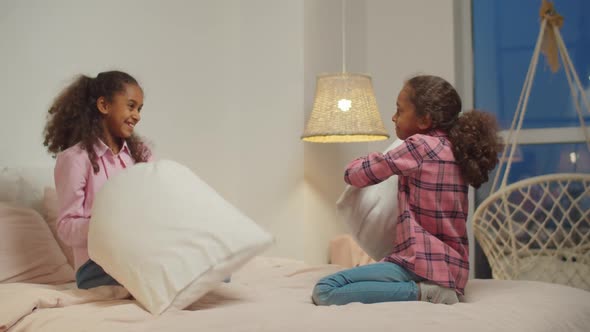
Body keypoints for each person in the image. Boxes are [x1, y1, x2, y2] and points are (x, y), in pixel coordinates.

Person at [312, 75, 503, 305]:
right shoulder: (457, 151)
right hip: (453, 272)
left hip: (417, 265)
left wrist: (351, 165)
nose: (394, 117)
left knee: (325, 289)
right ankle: (429, 290)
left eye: (399, 110)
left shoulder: (418, 146)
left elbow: (359, 174)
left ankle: (424, 293)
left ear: (424, 120)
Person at [43, 70, 152, 289]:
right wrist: (109, 226)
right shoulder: (75, 159)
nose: (137, 115)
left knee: (206, 263)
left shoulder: (141, 154)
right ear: (104, 106)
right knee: (164, 270)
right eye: (131, 106)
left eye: (139, 109)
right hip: (95, 267)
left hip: (140, 251)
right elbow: (66, 227)